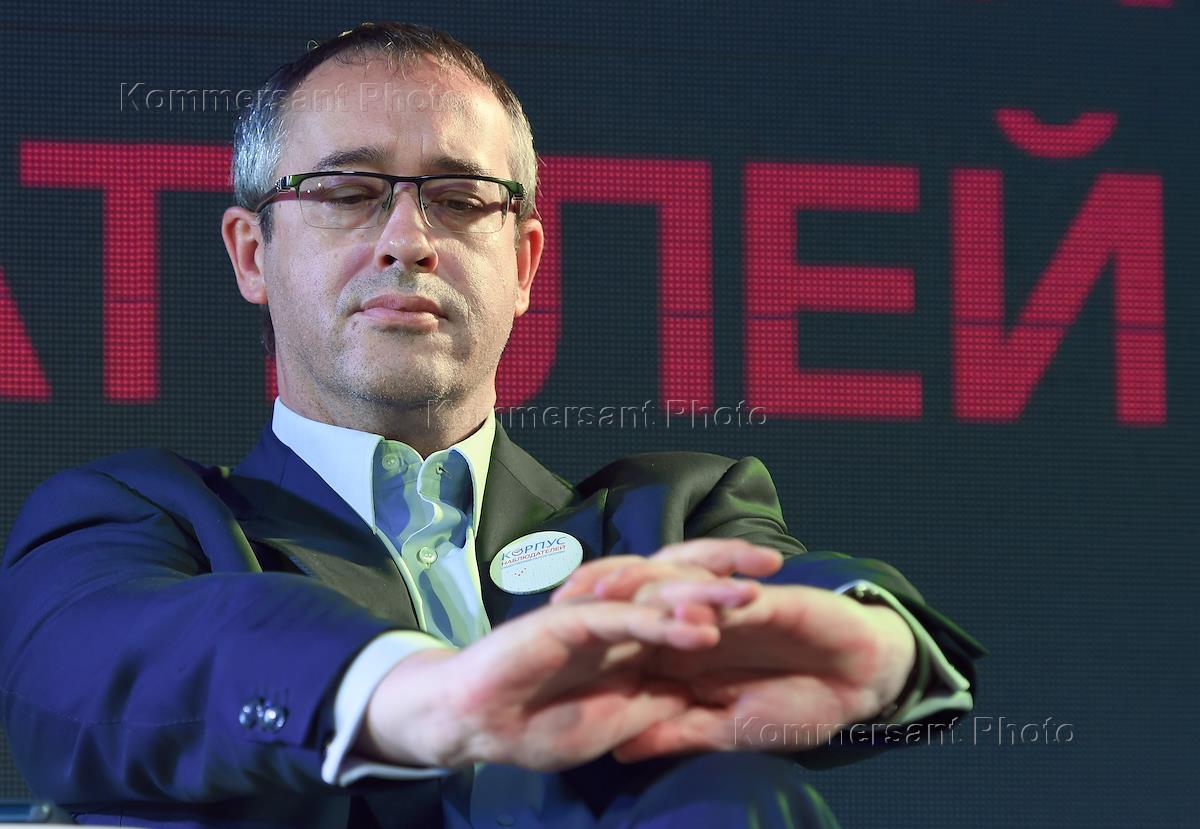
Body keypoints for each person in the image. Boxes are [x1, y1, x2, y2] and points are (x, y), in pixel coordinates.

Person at [0, 22, 983, 829]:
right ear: (251, 253)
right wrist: (428, 694)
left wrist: (876, 648)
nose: (408, 240)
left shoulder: (666, 516)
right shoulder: (139, 519)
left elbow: (791, 589)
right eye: (348, 192)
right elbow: (90, 665)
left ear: (523, 264)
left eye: (461, 198)